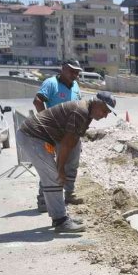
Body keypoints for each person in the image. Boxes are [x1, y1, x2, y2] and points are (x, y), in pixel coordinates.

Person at [18, 91, 117, 233]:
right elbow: (66, 144)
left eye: (107, 113)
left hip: (37, 137)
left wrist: (62, 167)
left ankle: (60, 216)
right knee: (54, 177)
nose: (105, 115)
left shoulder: (86, 113)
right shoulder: (80, 111)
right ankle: (60, 221)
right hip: (32, 136)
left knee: (54, 177)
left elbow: (71, 142)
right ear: (96, 102)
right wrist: (61, 168)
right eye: (104, 110)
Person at [33, 59, 84, 211]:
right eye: (72, 71)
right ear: (63, 69)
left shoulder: (75, 85)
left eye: (77, 72)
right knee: (51, 167)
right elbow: (37, 101)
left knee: (72, 165)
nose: (74, 74)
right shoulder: (51, 83)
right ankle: (43, 200)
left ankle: (69, 193)